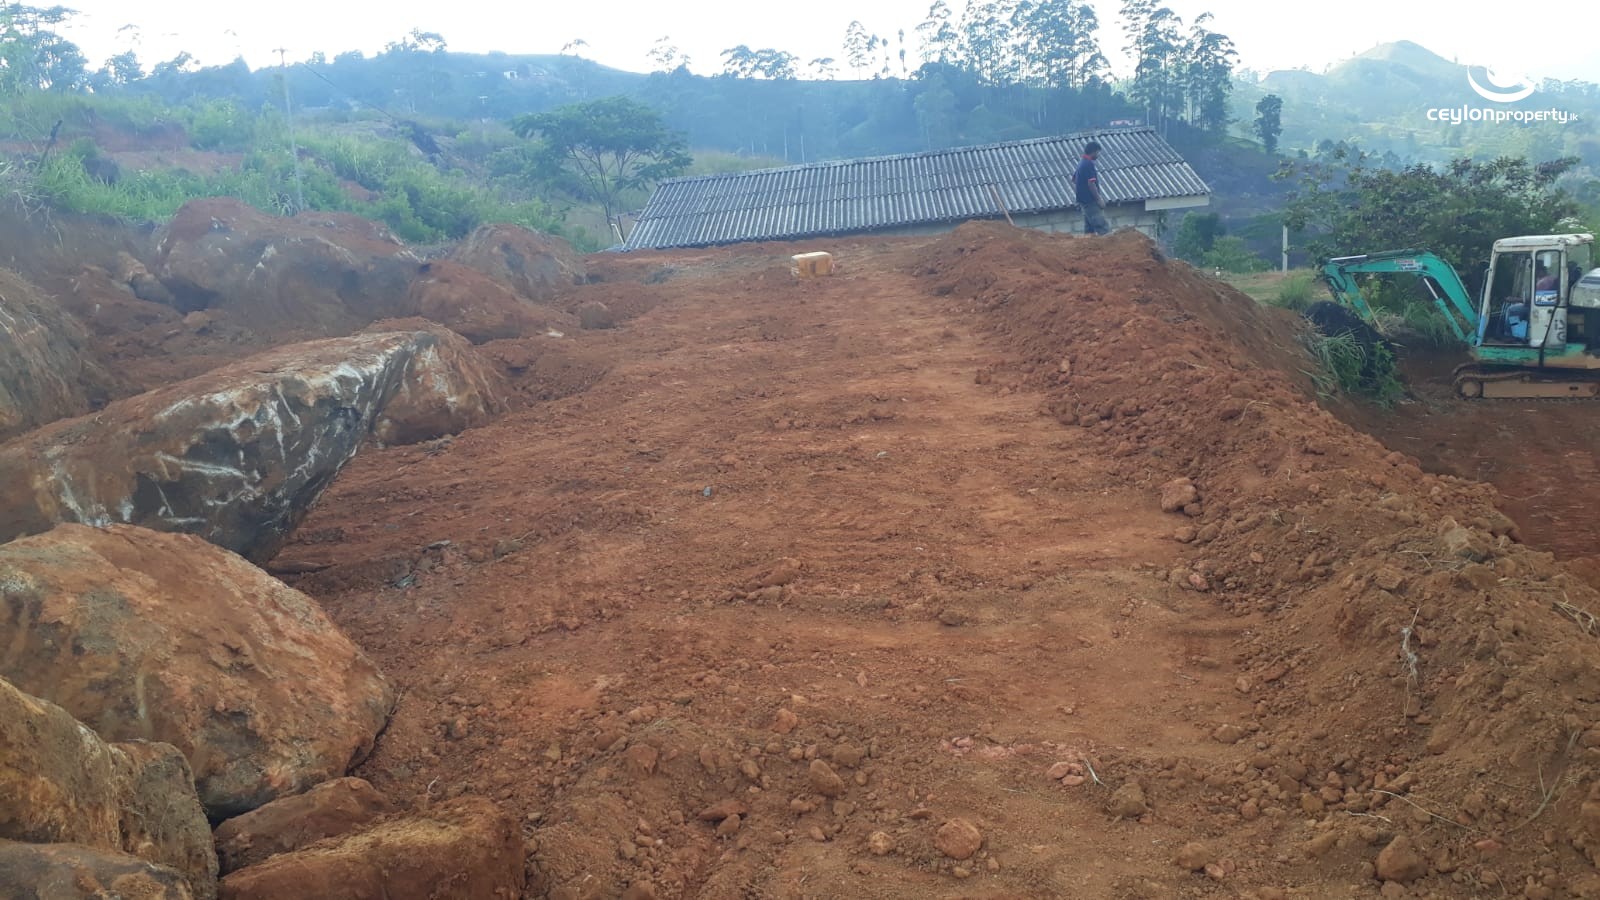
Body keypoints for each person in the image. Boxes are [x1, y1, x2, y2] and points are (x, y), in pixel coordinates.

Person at [1074, 141, 1110, 235]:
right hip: (1090, 201)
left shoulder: (1081, 162)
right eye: (1098, 152)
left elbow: (1074, 179)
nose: (1098, 155)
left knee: (1089, 230)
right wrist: (1099, 199)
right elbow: (1091, 183)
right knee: (1103, 228)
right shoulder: (1088, 164)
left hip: (1083, 201)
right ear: (1093, 152)